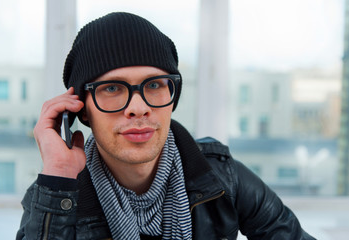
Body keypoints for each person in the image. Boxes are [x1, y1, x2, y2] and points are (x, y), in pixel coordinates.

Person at [16, 12, 315, 240]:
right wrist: (58, 174)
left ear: (172, 98)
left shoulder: (221, 176)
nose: (138, 107)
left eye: (155, 84)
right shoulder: (57, 194)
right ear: (81, 110)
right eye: (112, 89)